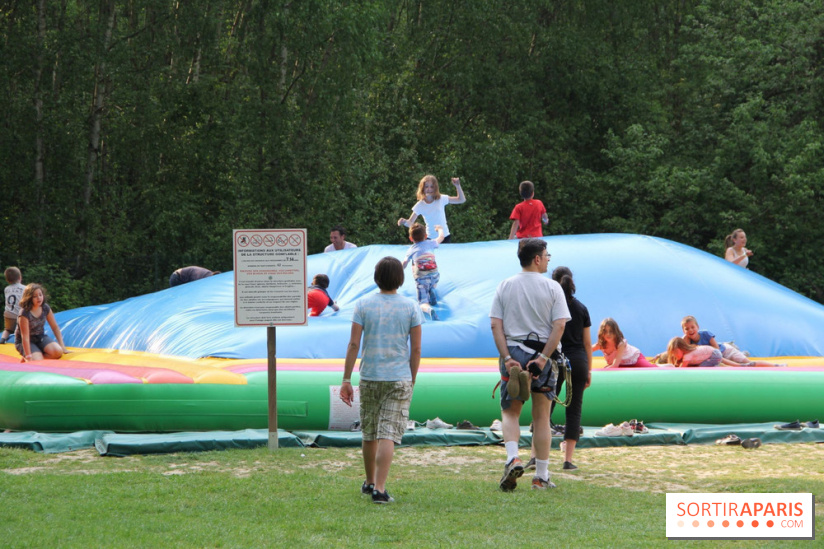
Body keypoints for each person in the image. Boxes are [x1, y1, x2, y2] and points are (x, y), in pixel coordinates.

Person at [339, 257, 422, 504]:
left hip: (370, 376)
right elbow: (416, 349)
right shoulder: (410, 306)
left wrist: (346, 379)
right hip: (398, 377)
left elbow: (354, 344)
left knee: (370, 431)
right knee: (388, 433)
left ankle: (370, 482)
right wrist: (412, 378)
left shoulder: (363, 304)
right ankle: (381, 489)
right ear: (400, 278)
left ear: (376, 277)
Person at [490, 238, 570, 491]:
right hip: (542, 357)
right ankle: (541, 476)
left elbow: (495, 325)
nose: (548, 259)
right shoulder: (553, 288)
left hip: (512, 352)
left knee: (510, 411)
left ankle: (513, 456)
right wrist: (543, 358)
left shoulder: (504, 285)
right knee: (542, 417)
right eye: (547, 255)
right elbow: (559, 325)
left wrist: (506, 358)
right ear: (537, 258)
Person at [549, 266, 592, 471]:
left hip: (556, 359)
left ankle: (534, 456)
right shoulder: (581, 308)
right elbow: (586, 344)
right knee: (574, 410)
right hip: (578, 362)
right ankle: (567, 460)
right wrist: (589, 370)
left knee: (544, 408)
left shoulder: (550, 307)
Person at [680, 316, 780, 367]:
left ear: (698, 327)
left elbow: (717, 349)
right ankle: (742, 353)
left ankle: (775, 366)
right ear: (683, 331)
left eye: (692, 327)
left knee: (747, 363)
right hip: (718, 358)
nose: (690, 330)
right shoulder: (689, 342)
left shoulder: (705, 333)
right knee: (736, 363)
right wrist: (685, 340)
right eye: (687, 329)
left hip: (725, 351)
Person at [397, 174, 466, 243]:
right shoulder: (420, 205)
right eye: (426, 186)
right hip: (430, 238)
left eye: (431, 187)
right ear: (422, 188)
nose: (429, 189)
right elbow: (410, 222)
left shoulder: (441, 199)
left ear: (435, 188)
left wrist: (458, 186)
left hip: (445, 237)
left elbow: (461, 200)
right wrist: (404, 222)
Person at [14, 283, 69, 362]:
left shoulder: (45, 308)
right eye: (35, 296)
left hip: (40, 337)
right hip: (26, 341)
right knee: (37, 360)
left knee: (58, 352)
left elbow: (55, 327)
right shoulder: (24, 313)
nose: (39, 298)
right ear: (29, 298)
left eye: (40, 295)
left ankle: (36, 354)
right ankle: (30, 356)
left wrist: (62, 346)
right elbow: (25, 337)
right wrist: (29, 356)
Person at [402, 223, 446, 319]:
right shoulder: (431, 243)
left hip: (422, 278)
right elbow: (441, 237)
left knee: (422, 303)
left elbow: (405, 262)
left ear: (411, 238)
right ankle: (432, 289)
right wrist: (439, 228)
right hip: (435, 275)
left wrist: (398, 270)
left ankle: (428, 309)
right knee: (432, 276)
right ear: (426, 236)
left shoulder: (411, 250)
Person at [592, 318, 657, 368]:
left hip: (635, 359)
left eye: (611, 331)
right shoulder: (601, 344)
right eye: (605, 331)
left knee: (650, 368)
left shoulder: (620, 344)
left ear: (615, 332)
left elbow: (615, 365)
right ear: (601, 332)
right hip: (622, 365)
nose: (608, 334)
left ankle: (665, 366)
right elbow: (587, 349)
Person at [666, 337, 741, 367]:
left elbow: (682, 369)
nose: (675, 356)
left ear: (681, 348)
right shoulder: (690, 349)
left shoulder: (687, 356)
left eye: (675, 353)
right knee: (721, 361)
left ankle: (718, 367)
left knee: (701, 367)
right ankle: (739, 365)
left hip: (715, 354)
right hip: (713, 353)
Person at [2, 267, 25, 344]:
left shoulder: (6, 289)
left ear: (7, 280)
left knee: (8, 329)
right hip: (19, 314)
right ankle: (18, 337)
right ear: (20, 277)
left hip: (8, 313)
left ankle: (3, 338)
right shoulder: (24, 288)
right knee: (22, 327)